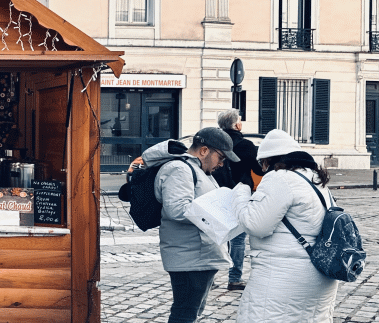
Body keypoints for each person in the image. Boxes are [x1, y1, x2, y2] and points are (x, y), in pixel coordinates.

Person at [231, 129, 339, 323]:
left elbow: (256, 225)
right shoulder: (316, 180)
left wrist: (242, 189)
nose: (262, 170)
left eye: (262, 163)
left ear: (269, 160)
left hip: (284, 278)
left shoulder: (280, 177)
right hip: (320, 275)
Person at [143, 127, 238, 323]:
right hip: (189, 257)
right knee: (184, 314)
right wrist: (216, 215)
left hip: (199, 255)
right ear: (204, 151)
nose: (222, 163)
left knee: (191, 312)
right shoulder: (179, 169)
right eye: (221, 157)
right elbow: (177, 209)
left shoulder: (200, 171)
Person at [210, 108, 263, 291]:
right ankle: (234, 279)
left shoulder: (213, 143)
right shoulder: (246, 145)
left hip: (216, 193)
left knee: (214, 237)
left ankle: (208, 279)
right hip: (239, 194)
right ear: (238, 125)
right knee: (238, 240)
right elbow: (258, 170)